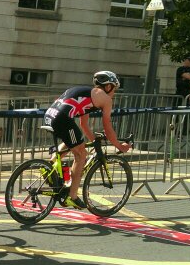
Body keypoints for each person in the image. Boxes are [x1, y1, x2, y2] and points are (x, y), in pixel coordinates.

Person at [42, 71, 131, 208]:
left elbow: (84, 125)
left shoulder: (88, 94)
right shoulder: (106, 99)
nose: (114, 93)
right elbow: (107, 127)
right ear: (108, 87)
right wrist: (120, 146)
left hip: (50, 115)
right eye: (115, 89)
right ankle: (72, 197)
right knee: (81, 154)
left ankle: (50, 165)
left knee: (74, 141)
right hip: (61, 118)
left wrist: (94, 141)